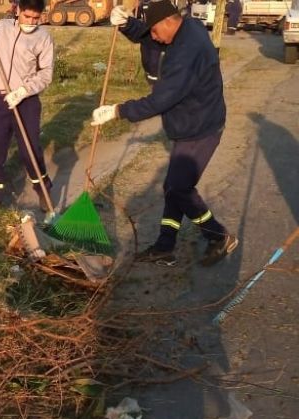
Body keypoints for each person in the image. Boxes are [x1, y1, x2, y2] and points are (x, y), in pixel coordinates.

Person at [91, 0, 237, 267]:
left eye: (155, 32)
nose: (154, 39)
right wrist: (126, 25)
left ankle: (218, 236)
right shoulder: (184, 27)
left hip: (201, 127)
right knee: (173, 188)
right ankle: (164, 246)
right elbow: (149, 35)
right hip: (188, 123)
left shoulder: (186, 53)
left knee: (179, 187)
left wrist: (118, 111)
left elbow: (161, 100)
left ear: (168, 22)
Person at [0, 0, 54, 209]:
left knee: (30, 150)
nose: (31, 22)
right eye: (27, 16)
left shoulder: (43, 38)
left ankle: (43, 191)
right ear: (17, 10)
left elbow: (46, 74)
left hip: (27, 101)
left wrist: (24, 91)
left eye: (36, 18)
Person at [110, 0, 168, 86]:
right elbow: (143, 27)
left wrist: (129, 24)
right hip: (147, 45)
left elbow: (157, 32)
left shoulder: (166, 7)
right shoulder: (144, 4)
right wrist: (127, 20)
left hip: (160, 60)